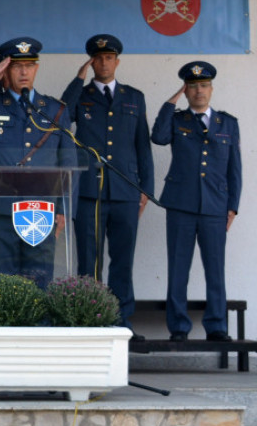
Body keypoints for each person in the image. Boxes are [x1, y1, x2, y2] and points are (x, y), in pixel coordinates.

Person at [0, 38, 75, 289]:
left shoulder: (54, 109)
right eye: (17, 66)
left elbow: (68, 162)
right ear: (6, 69)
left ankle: (38, 330)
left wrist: (63, 208)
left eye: (29, 65)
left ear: (36, 68)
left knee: (38, 281)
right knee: (1, 284)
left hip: (40, 209)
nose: (23, 71)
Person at [61, 34, 153, 332]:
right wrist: (78, 81)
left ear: (117, 61)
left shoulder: (134, 97)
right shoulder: (82, 95)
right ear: (91, 61)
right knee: (89, 260)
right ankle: (90, 319)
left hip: (126, 189)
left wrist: (145, 189)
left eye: (109, 57)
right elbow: (61, 119)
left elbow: (143, 147)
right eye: (98, 58)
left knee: (122, 260)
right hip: (89, 190)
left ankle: (121, 321)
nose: (104, 62)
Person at [151, 61, 240, 341]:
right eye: (192, 87)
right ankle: (178, 327)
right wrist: (170, 102)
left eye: (203, 86)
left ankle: (216, 327)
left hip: (215, 206)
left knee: (215, 270)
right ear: (186, 91)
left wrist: (233, 206)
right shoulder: (177, 120)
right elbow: (158, 136)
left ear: (211, 89)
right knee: (178, 268)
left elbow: (234, 169)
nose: (199, 91)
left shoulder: (228, 123)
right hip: (181, 206)